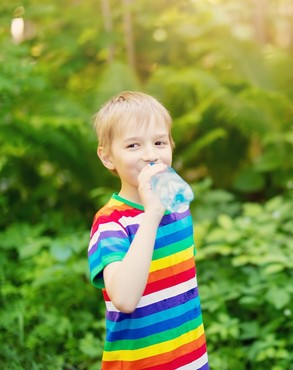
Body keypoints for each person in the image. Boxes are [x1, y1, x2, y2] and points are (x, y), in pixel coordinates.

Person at [87, 91, 209, 369]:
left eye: (159, 142)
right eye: (133, 146)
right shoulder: (111, 222)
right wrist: (151, 215)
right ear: (107, 157)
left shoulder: (177, 207)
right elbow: (125, 299)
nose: (151, 155)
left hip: (191, 359)